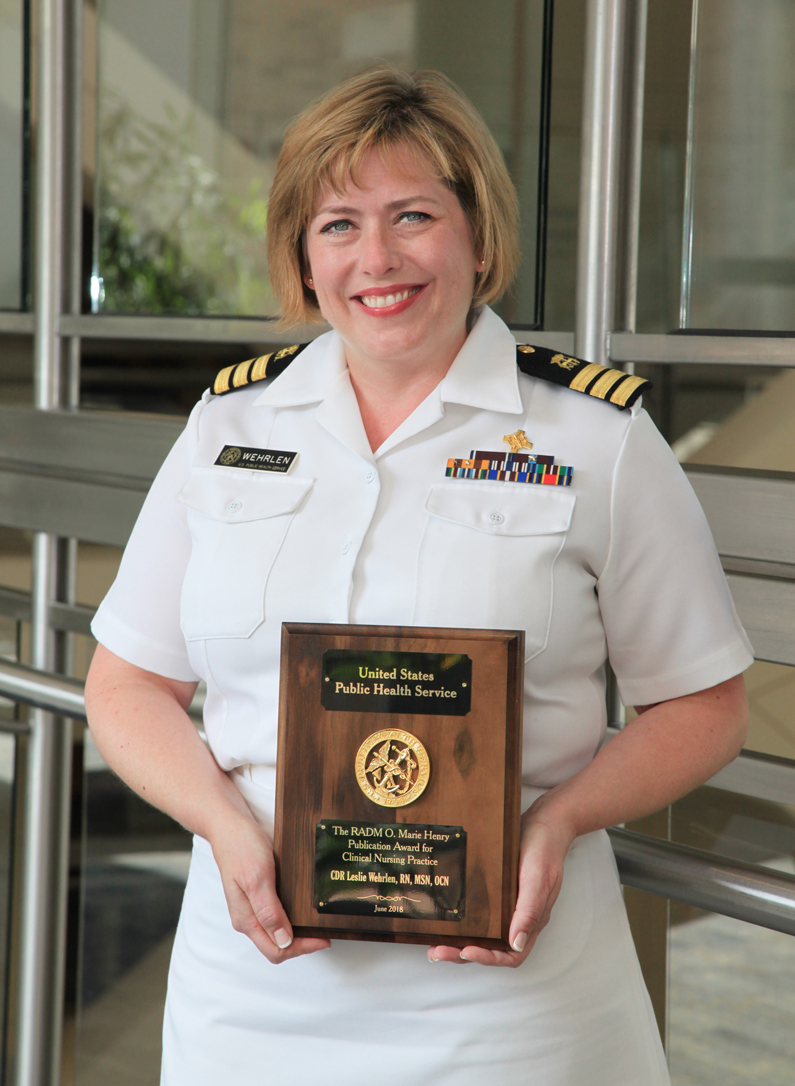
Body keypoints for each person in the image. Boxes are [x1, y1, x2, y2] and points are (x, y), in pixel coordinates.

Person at [85, 66, 752, 1085]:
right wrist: (221, 824)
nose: (378, 258)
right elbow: (127, 684)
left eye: (413, 216)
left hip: (512, 999)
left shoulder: (598, 439)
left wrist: (556, 821)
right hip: (256, 994)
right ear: (303, 258)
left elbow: (703, 702)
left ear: (478, 235)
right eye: (338, 225)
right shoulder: (227, 430)